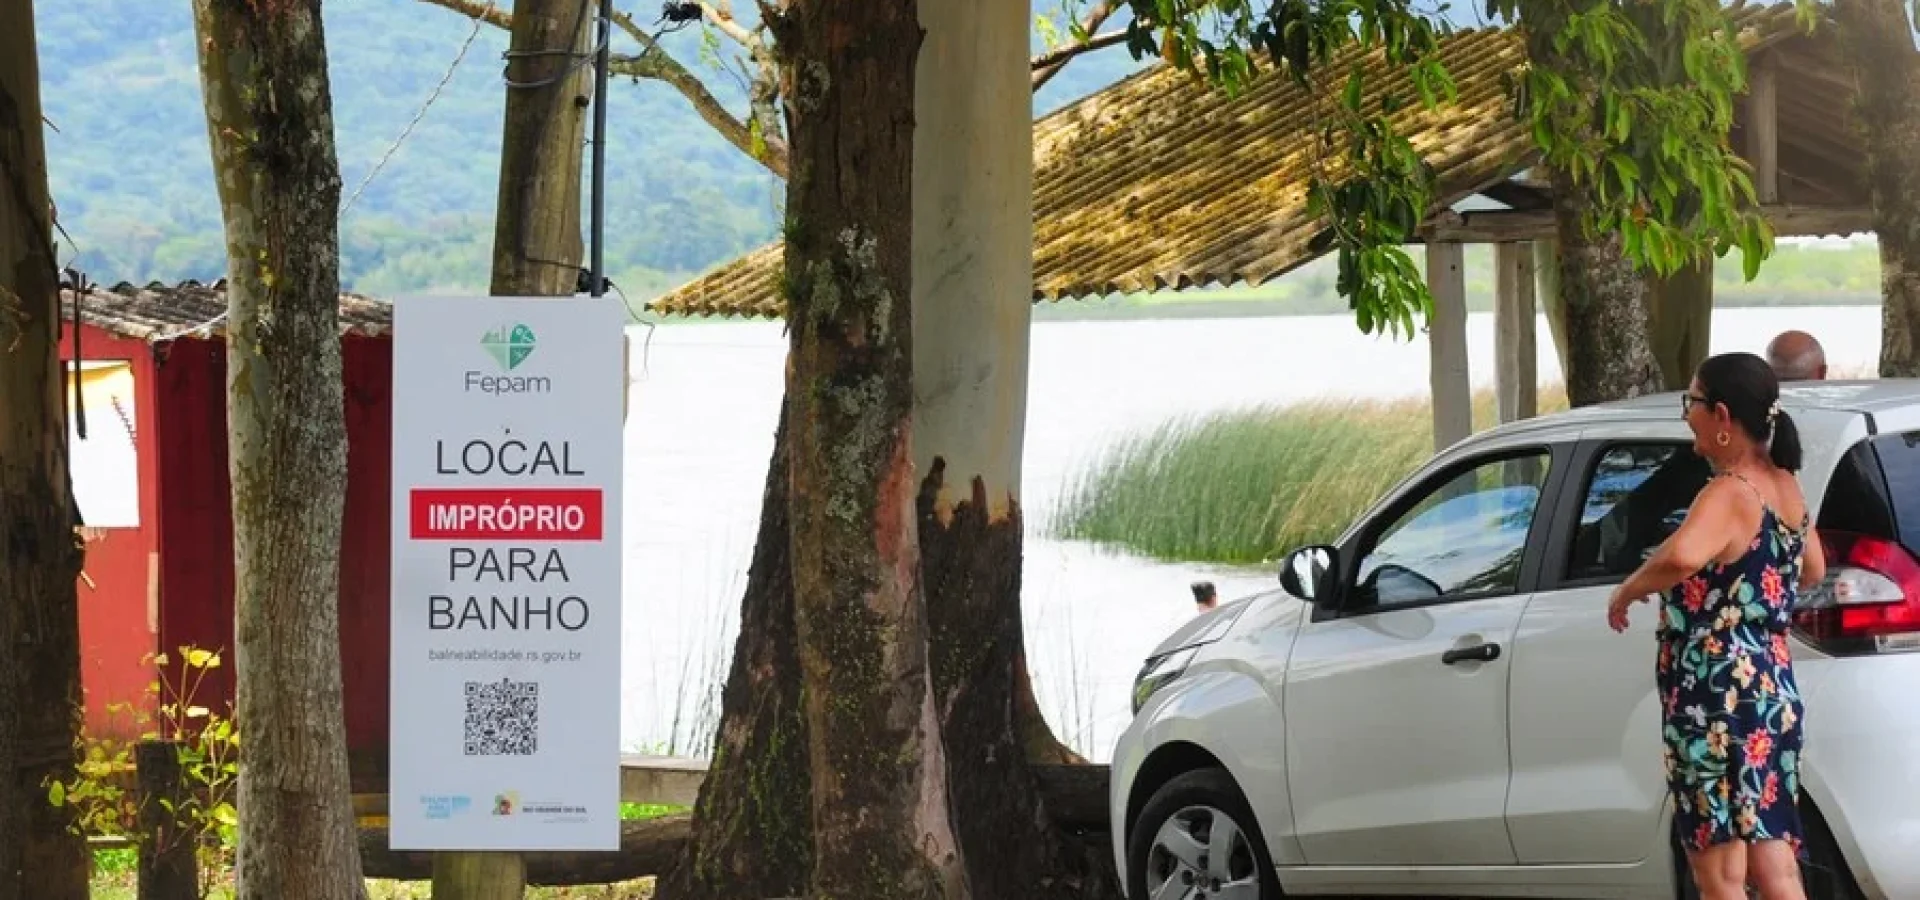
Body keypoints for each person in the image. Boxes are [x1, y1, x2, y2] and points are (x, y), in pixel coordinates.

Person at [1606, 352, 1826, 900]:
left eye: (1693, 402)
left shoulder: (1729, 491)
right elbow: (1814, 568)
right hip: (1770, 686)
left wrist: (1628, 589)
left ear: (1722, 416)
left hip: (1714, 691)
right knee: (1775, 864)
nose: (1688, 416)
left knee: (1720, 874)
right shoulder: (1785, 486)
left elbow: (1682, 556)